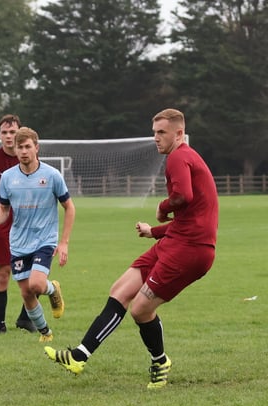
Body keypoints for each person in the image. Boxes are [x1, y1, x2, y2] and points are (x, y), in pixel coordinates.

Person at [44, 108, 219, 389]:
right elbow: (190, 218)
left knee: (140, 309)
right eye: (154, 132)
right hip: (176, 242)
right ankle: (78, 357)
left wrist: (162, 208)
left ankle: (160, 361)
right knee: (120, 290)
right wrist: (155, 232)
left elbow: (182, 197)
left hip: (190, 251)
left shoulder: (178, 157)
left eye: (161, 132)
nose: (156, 138)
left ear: (178, 134)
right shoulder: (185, 157)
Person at [0, 126, 75, 342]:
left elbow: (69, 207)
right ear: (15, 150)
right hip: (18, 242)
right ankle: (46, 333)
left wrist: (63, 243)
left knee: (36, 284)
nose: (24, 151)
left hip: (44, 240)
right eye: (20, 147)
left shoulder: (52, 175)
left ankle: (52, 289)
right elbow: (4, 210)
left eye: (28, 147)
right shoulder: (7, 178)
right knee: (26, 293)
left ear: (36, 148)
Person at [0, 114, 38, 334]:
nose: (9, 136)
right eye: (4, 132)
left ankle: (24, 318)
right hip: (1, 228)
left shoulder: (29, 160)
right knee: (2, 274)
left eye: (13, 132)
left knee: (36, 276)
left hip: (30, 227)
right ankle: (0, 326)